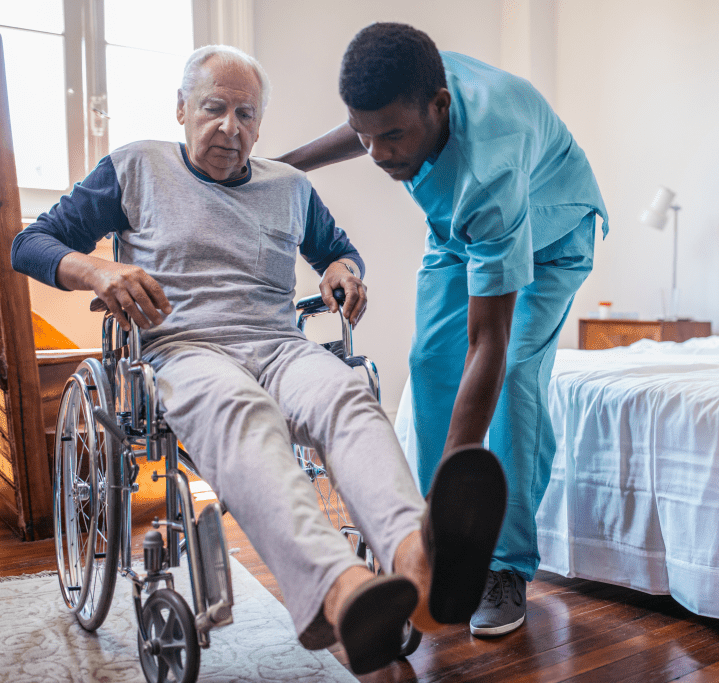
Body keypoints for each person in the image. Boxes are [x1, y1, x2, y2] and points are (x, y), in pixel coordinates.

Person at [10, 44, 506, 675]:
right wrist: (97, 268)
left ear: (261, 126)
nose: (229, 127)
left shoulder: (289, 186)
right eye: (214, 108)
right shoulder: (135, 166)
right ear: (183, 108)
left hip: (279, 344)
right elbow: (30, 243)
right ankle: (342, 591)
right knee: (244, 411)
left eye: (245, 114)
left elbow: (339, 250)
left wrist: (343, 272)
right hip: (184, 345)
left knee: (347, 394)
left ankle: (418, 563)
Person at [277, 22, 608, 637]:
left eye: (393, 136)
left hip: (550, 232)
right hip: (464, 232)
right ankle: (424, 553)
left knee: (511, 375)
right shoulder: (412, 76)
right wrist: (286, 167)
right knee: (430, 365)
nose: (377, 154)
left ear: (440, 107)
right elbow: (369, 127)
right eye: (366, 136)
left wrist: (461, 492)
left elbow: (489, 341)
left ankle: (501, 563)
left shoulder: (489, 169)